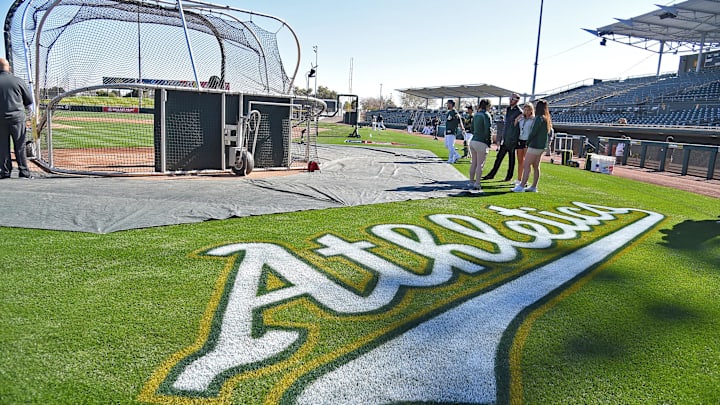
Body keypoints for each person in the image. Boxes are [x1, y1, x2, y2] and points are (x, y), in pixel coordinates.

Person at [0, 58, 34, 179]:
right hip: (17, 118)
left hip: (1, 119)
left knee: (3, 146)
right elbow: (29, 101)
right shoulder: (18, 81)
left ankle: (5, 171)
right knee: (20, 145)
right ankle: (24, 171)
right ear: (8, 68)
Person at [513, 99, 552, 193]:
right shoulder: (546, 118)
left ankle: (521, 186)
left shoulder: (538, 118)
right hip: (541, 146)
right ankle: (534, 186)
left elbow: (533, 132)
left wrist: (527, 142)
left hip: (534, 145)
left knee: (526, 165)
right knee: (536, 166)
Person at [482, 93, 521, 181]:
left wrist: (514, 139)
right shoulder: (508, 109)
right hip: (506, 138)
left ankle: (509, 176)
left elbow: (516, 127)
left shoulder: (519, 112)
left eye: (512, 99)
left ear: (517, 100)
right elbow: (507, 126)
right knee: (499, 158)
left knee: (511, 159)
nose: (510, 100)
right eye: (510, 98)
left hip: (512, 139)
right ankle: (492, 174)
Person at [468, 99, 493, 192]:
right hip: (482, 141)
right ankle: (477, 183)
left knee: (473, 163)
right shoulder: (486, 115)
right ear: (487, 106)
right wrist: (489, 141)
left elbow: (472, 128)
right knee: (480, 164)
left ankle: (471, 181)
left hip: (473, 140)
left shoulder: (476, 114)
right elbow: (488, 129)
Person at [513, 102, 535, 186]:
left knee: (527, 162)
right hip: (520, 140)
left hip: (527, 141)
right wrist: (518, 118)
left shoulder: (533, 119)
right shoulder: (521, 118)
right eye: (525, 109)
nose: (526, 111)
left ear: (531, 110)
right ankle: (519, 179)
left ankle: (525, 181)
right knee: (520, 161)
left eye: (528, 110)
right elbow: (515, 124)